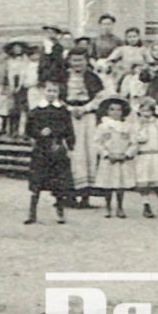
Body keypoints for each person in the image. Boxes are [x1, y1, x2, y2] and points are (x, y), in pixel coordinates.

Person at [24, 79, 75, 225]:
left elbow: (69, 130)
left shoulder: (63, 111)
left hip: (57, 149)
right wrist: (39, 132)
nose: (51, 94)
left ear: (58, 93)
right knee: (36, 182)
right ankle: (32, 213)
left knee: (58, 183)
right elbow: (29, 129)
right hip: (41, 150)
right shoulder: (36, 111)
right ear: (43, 91)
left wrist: (70, 146)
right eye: (49, 90)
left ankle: (60, 212)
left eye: (55, 91)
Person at [63, 48, 105, 203]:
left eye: (81, 60)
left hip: (87, 118)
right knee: (72, 152)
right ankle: (68, 194)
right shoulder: (63, 77)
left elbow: (100, 97)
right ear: (69, 61)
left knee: (88, 153)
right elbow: (58, 96)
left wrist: (85, 108)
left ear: (87, 61)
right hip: (69, 117)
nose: (77, 64)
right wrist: (69, 109)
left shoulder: (93, 78)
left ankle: (86, 195)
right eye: (74, 60)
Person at [130, 96, 158, 218]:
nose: (146, 114)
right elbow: (135, 139)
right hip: (144, 156)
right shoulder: (136, 125)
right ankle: (146, 206)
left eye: (149, 110)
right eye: (143, 110)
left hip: (157, 155)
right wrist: (141, 131)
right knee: (145, 183)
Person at [93, 96, 138, 218]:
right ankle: (107, 207)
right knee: (108, 184)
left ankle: (120, 207)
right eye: (112, 109)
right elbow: (97, 142)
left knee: (120, 185)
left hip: (122, 158)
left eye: (118, 110)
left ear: (123, 111)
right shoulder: (103, 126)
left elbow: (134, 143)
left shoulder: (128, 127)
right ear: (107, 111)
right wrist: (106, 154)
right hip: (109, 159)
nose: (115, 112)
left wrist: (127, 154)